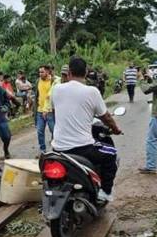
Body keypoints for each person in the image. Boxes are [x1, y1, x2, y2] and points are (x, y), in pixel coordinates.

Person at [50, 56, 122, 202]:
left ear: (69, 72)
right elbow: (106, 117)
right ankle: (106, 192)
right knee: (112, 154)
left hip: (58, 148)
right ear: (86, 72)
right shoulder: (92, 91)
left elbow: (56, 111)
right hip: (82, 148)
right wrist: (115, 129)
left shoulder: (56, 89)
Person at [36, 65, 55, 155]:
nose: (40, 74)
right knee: (40, 131)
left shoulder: (53, 81)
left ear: (47, 72)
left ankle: (56, 149)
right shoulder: (38, 81)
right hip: (40, 110)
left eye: (42, 72)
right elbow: (37, 95)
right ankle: (43, 150)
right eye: (39, 72)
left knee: (53, 130)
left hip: (50, 111)